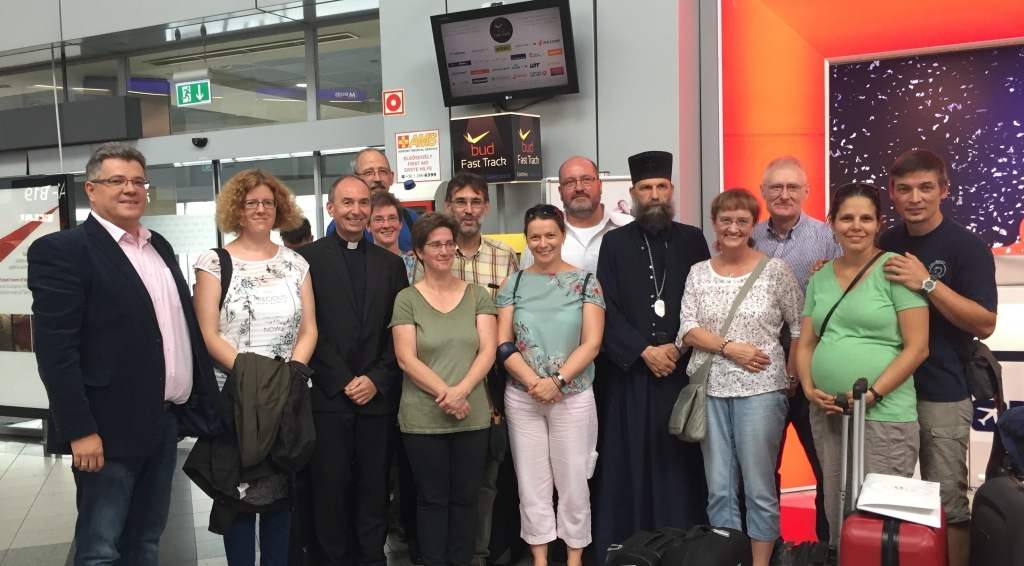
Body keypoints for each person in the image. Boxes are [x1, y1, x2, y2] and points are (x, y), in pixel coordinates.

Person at [27, 142, 221, 566]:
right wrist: (79, 430)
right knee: (101, 548)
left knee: (146, 540)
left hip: (163, 423)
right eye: (116, 180)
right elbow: (56, 351)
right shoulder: (63, 251)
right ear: (91, 189)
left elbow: (176, 329)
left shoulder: (158, 247)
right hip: (105, 430)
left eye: (138, 181)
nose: (130, 189)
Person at [878, 149, 998, 566]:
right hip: (890, 392)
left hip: (943, 392)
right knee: (885, 499)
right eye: (905, 189)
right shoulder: (885, 242)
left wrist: (927, 283)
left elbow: (984, 323)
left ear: (944, 190)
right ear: (892, 193)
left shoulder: (968, 247)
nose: (915, 198)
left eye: (926, 187)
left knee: (948, 503)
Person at [192, 169, 317, 565]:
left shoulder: (296, 263)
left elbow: (309, 329)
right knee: (239, 500)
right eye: (251, 203)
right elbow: (207, 334)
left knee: (281, 499)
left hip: (286, 399)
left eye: (268, 202)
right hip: (236, 398)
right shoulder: (214, 262)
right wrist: (257, 379)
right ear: (237, 209)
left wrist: (290, 376)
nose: (261, 209)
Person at [591, 150, 711, 563]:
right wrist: (642, 350)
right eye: (646, 187)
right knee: (630, 460)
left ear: (671, 189)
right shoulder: (614, 243)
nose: (655, 194)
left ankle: (684, 546)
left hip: (680, 370)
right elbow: (604, 307)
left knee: (679, 462)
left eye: (661, 186)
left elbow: (705, 299)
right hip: (632, 373)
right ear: (633, 193)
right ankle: (629, 547)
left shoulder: (693, 239)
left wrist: (678, 347)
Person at [796, 182, 930, 546]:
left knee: (880, 515)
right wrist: (809, 389)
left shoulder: (896, 270)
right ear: (832, 223)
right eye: (847, 218)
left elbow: (917, 348)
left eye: (866, 218)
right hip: (829, 412)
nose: (856, 226)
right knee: (837, 507)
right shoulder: (820, 276)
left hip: (883, 413)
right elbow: (806, 344)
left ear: (879, 223)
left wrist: (873, 394)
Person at [677, 188, 803, 566]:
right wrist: (731, 348)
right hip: (710, 391)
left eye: (742, 221)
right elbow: (687, 330)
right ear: (714, 224)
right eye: (725, 220)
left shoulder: (776, 271)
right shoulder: (698, 272)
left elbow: (799, 328)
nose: (733, 228)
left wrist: (791, 378)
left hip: (762, 391)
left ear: (753, 226)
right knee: (719, 489)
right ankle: (728, 558)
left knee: (759, 488)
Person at [296, 175, 409, 566]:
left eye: (364, 203)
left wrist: (376, 379)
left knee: (374, 487)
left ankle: (371, 557)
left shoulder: (391, 265)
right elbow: (306, 327)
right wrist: (344, 379)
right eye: (347, 203)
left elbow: (399, 330)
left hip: (377, 398)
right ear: (331, 208)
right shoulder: (306, 260)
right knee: (329, 488)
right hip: (328, 396)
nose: (356, 211)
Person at [412, 171, 520, 566]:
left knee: (484, 480)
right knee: (436, 489)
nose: (468, 210)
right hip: (436, 379)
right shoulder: (431, 254)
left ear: (486, 207)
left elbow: (513, 318)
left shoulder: (505, 256)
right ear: (448, 207)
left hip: (489, 379)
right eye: (461, 202)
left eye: (476, 202)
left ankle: (476, 555)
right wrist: (447, 389)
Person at [495, 204, 605, 566]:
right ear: (526, 240)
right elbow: (503, 343)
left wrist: (556, 381)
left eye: (550, 235)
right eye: (535, 237)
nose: (543, 243)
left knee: (573, 482)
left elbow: (592, 343)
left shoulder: (586, 283)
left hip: (572, 395)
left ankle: (574, 558)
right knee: (531, 484)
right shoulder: (513, 284)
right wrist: (534, 383)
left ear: (562, 236)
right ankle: (539, 559)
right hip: (523, 396)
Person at [390, 212, 498, 566]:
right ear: (419, 252)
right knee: (431, 499)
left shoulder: (477, 295)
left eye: (449, 243)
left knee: (467, 498)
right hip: (423, 419)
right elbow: (406, 359)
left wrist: (462, 391)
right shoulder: (406, 299)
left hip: (472, 415)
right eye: (435, 244)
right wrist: (449, 395)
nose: (444, 250)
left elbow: (488, 350)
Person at [752, 156, 840, 543]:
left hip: (815, 364)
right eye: (776, 187)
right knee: (760, 469)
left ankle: (825, 551)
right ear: (762, 192)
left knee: (825, 465)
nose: (784, 194)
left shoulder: (828, 237)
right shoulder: (748, 235)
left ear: (807, 191)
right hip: (758, 365)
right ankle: (764, 549)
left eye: (792, 187)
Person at [520, 156, 630, 273]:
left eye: (586, 179)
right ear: (560, 192)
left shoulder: (630, 227)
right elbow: (526, 282)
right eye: (569, 182)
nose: (579, 188)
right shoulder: (540, 241)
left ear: (600, 185)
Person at [327, 148, 419, 252]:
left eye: (383, 171)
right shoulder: (340, 224)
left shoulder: (412, 219)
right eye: (369, 172)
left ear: (391, 177)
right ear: (356, 179)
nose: (377, 179)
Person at [370, 191, 417, 282]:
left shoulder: (416, 268)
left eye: (392, 218)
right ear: (368, 226)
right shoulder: (360, 267)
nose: (386, 225)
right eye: (378, 219)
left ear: (400, 224)